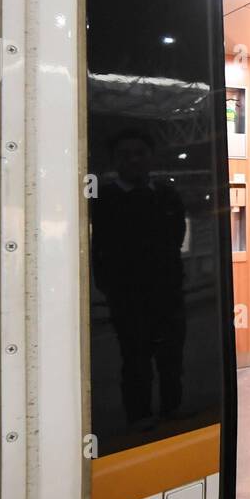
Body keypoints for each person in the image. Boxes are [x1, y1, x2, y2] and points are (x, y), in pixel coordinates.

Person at [91, 129, 187, 431]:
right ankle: (139, 417)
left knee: (171, 358)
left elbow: (176, 236)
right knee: (135, 360)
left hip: (168, 294)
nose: (133, 159)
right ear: (114, 160)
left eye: (140, 153)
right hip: (128, 297)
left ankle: (172, 411)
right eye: (125, 154)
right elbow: (101, 249)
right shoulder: (105, 199)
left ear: (151, 157)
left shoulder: (166, 194)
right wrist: (111, 289)